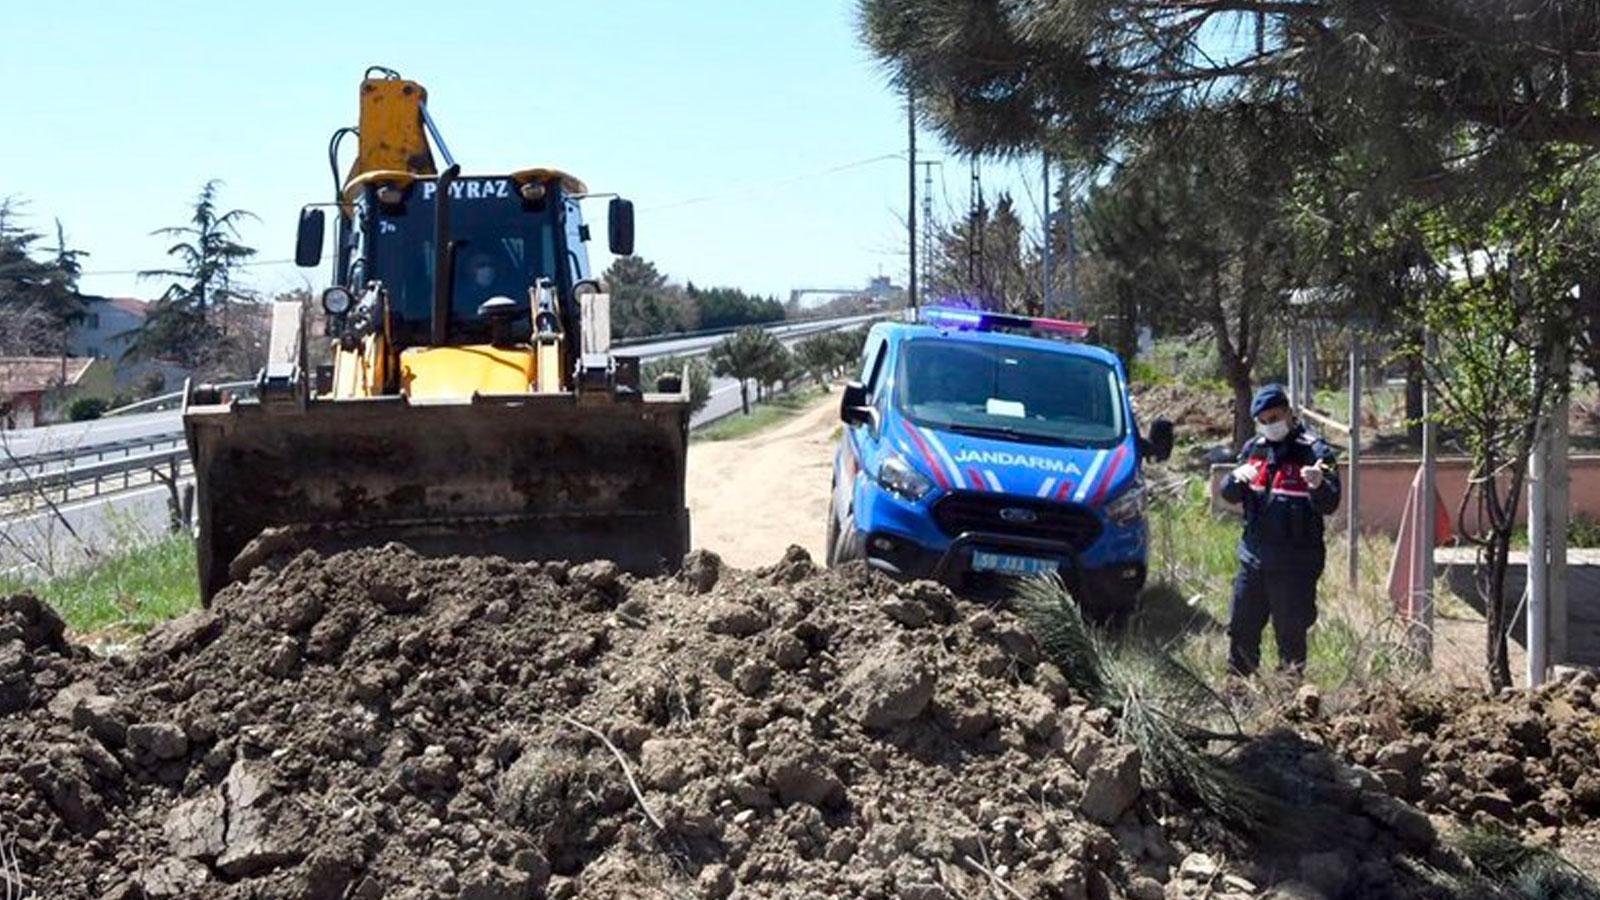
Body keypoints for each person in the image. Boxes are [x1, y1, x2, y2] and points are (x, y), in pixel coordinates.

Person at [1218, 384, 1341, 676]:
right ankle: (1238, 697)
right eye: (1264, 420)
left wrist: (1318, 485)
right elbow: (1230, 495)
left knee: (1290, 635)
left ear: (1288, 413)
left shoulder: (1314, 451)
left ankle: (1290, 702)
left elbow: (1331, 502)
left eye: (1276, 417)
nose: (1271, 425)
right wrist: (1234, 480)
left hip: (1294, 564)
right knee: (1241, 630)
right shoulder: (1253, 450)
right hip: (1254, 559)